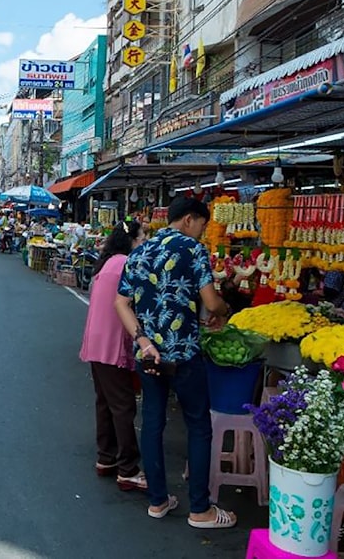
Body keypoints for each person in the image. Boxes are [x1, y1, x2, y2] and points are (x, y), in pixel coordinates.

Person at [114, 197, 236, 529]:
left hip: (149, 356)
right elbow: (211, 301)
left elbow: (120, 302)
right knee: (198, 426)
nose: (202, 232)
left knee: (152, 423)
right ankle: (200, 510)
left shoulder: (138, 252)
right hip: (183, 354)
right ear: (189, 220)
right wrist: (222, 311)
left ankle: (158, 501)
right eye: (202, 225)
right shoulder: (192, 250)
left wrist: (142, 339)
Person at [80, 220, 148, 491]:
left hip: (96, 342)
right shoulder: (124, 264)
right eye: (142, 238)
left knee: (105, 403)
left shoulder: (107, 263)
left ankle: (106, 458)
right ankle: (128, 469)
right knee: (123, 406)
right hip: (112, 343)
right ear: (130, 239)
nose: (143, 244)